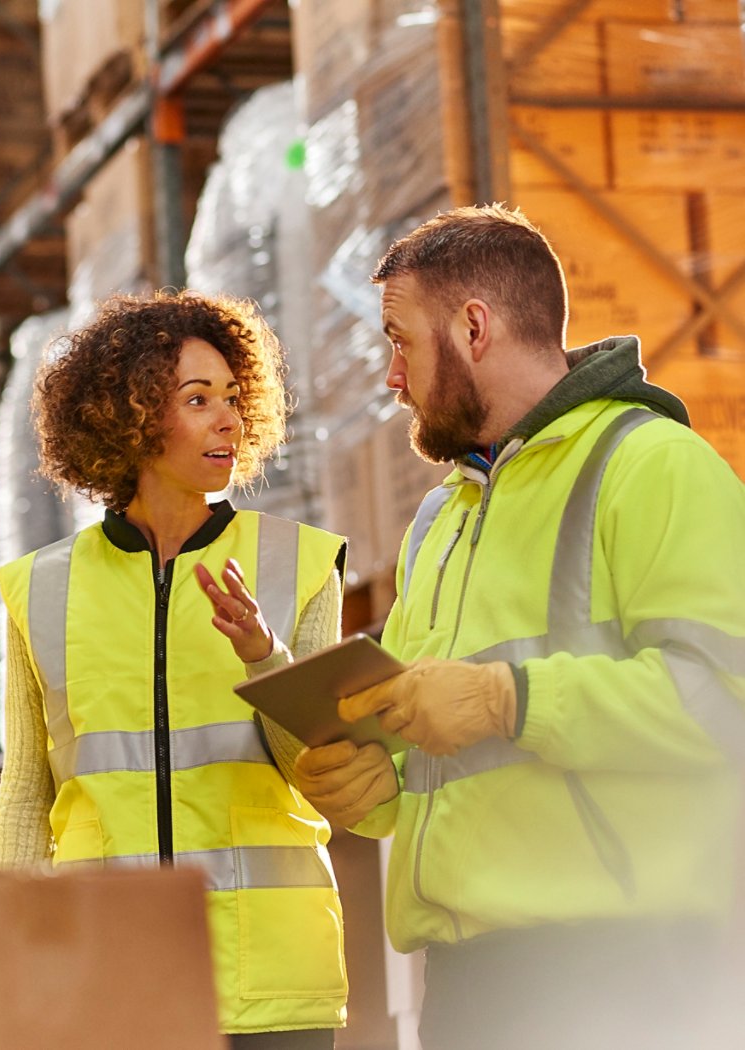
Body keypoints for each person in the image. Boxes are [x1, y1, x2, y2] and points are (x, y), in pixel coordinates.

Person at [292, 203, 745, 1049]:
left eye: (399, 341)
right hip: (472, 978)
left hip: (622, 972)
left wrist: (512, 700)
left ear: (473, 327)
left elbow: (725, 703)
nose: (392, 377)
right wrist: (378, 787)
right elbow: (441, 744)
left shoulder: (653, 466)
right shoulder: (440, 520)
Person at [0, 292, 350, 1048]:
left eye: (232, 398)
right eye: (197, 400)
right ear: (130, 417)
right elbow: (28, 790)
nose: (228, 420)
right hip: (111, 985)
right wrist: (13, 963)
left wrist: (265, 657)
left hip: (272, 988)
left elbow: (321, 767)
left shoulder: (300, 563)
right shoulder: (42, 587)